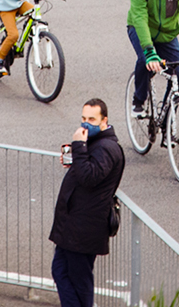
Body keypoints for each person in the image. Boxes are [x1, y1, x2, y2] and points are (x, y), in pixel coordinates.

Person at [48, 100, 125, 307]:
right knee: (60, 271)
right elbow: (86, 171)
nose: (85, 124)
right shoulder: (96, 143)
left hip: (84, 228)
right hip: (73, 226)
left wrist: (79, 147)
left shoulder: (107, 148)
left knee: (79, 280)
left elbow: (89, 177)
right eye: (83, 118)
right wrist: (76, 154)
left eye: (91, 119)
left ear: (104, 121)